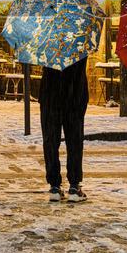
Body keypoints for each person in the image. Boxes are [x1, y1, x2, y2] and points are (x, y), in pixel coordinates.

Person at [39, 56, 89, 202]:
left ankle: (54, 185)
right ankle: (74, 185)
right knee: (74, 140)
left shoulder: (46, 38)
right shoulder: (80, 38)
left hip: (50, 95)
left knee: (50, 141)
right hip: (74, 94)